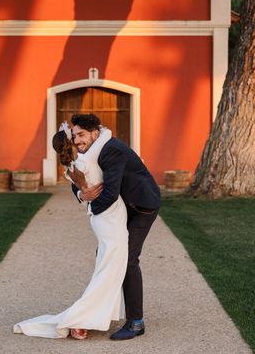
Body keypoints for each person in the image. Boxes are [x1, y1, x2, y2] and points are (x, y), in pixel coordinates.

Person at [13, 122, 128, 340]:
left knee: (109, 266)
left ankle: (98, 314)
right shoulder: (86, 159)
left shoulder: (72, 165)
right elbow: (106, 135)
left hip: (103, 217)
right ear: (71, 142)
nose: (78, 139)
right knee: (109, 268)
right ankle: (79, 319)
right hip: (109, 215)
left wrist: (83, 195)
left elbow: (82, 189)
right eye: (75, 137)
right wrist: (95, 127)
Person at [71, 113, 161, 341]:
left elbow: (110, 193)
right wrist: (82, 194)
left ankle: (136, 322)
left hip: (142, 205)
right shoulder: (90, 150)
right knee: (105, 253)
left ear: (94, 131)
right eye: (74, 136)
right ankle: (106, 311)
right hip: (124, 205)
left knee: (127, 257)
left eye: (81, 135)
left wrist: (90, 208)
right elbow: (81, 179)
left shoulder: (111, 149)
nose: (77, 141)